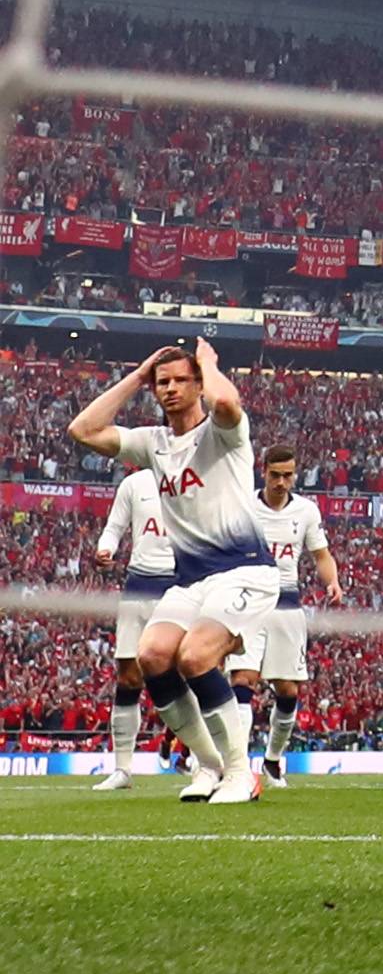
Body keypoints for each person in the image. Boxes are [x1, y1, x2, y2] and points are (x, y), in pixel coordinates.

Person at [70, 341, 267, 805]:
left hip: (244, 570)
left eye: (182, 379)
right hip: (192, 579)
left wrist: (213, 363)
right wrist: (137, 376)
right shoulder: (153, 443)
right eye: (164, 383)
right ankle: (210, 765)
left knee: (196, 657)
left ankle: (242, 774)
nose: (172, 388)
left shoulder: (225, 433)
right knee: (152, 657)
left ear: (197, 382)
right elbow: (82, 429)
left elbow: (225, 401)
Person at [233, 446, 338, 790]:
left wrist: (332, 581)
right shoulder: (245, 505)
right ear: (263, 472)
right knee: (243, 681)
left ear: (295, 475)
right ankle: (236, 765)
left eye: (287, 475)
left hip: (288, 604)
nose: (281, 482)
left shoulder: (306, 510)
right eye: (275, 474)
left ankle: (273, 761)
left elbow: (321, 554)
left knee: (288, 690)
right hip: (249, 601)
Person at [88, 460, 174, 791]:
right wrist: (105, 548)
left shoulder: (200, 480)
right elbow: (114, 527)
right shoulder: (135, 484)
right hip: (138, 586)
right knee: (128, 677)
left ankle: (204, 764)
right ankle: (122, 769)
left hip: (180, 586)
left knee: (190, 674)